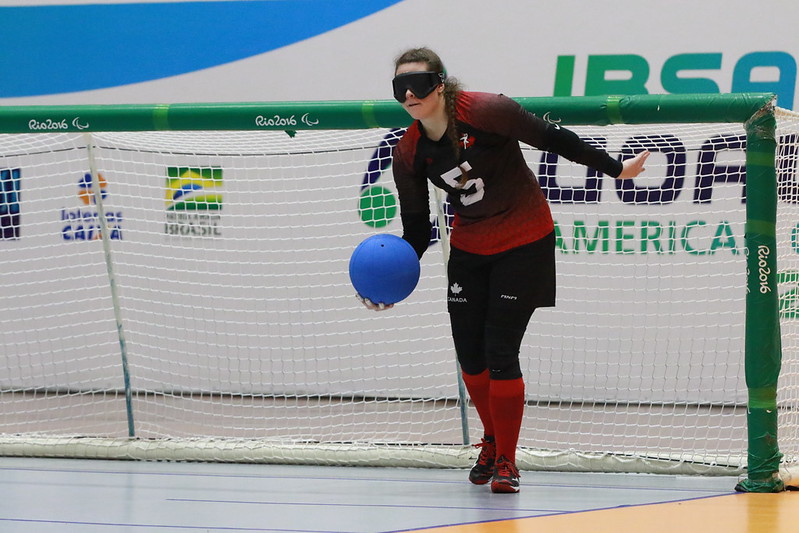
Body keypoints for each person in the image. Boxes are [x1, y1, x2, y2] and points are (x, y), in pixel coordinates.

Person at [358, 47, 649, 493]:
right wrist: (385, 284)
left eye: (419, 84)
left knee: (499, 352)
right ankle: (492, 441)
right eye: (401, 87)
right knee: (470, 356)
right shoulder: (409, 152)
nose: (410, 95)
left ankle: (507, 462)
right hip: (470, 246)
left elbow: (553, 138)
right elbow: (416, 230)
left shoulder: (485, 110)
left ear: (441, 84)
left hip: (524, 239)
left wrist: (615, 168)